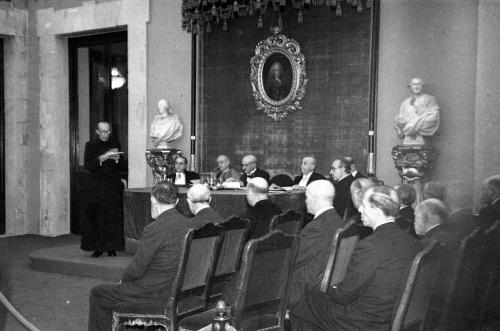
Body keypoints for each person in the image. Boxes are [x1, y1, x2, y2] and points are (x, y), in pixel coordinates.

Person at [290, 185, 421, 331]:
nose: (359, 210)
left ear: (376, 211)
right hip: (388, 317)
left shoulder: (371, 245)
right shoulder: (411, 242)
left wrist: (331, 288)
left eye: (364, 205)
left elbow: (343, 295)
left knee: (303, 302)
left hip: (363, 322)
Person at [88, 181, 205, 331]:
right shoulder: (191, 224)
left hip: (155, 292)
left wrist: (123, 282)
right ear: (176, 202)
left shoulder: (155, 228)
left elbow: (137, 268)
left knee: (99, 293)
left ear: (153, 202)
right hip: (181, 288)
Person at [289, 180, 343, 306]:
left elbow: (292, 257)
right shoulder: (337, 220)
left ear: (314, 198)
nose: (306, 201)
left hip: (301, 288)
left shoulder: (318, 227)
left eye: (307, 197)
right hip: (318, 282)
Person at [81, 121, 125, 258]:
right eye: (103, 131)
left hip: (112, 186)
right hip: (97, 187)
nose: (106, 134)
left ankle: (112, 247)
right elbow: (88, 165)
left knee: (112, 217)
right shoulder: (90, 145)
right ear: (97, 132)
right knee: (98, 217)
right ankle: (98, 248)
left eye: (108, 131)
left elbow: (121, 166)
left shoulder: (115, 144)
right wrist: (101, 158)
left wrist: (117, 159)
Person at [394, 77, 440, 145]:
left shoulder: (429, 99)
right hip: (407, 137)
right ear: (410, 87)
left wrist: (412, 122)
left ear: (422, 86)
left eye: (418, 84)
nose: (416, 87)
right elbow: (400, 119)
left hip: (423, 131)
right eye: (414, 84)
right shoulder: (405, 102)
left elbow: (434, 117)